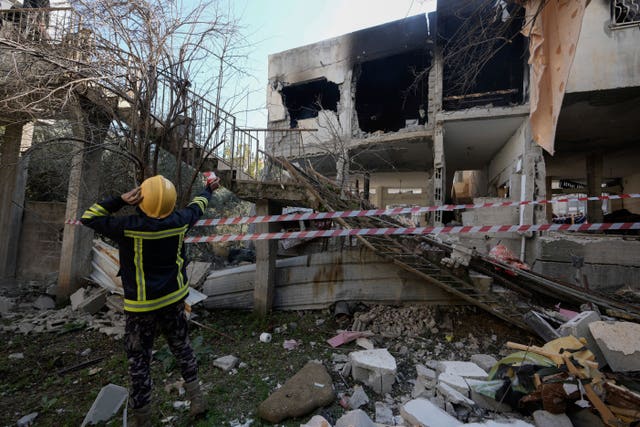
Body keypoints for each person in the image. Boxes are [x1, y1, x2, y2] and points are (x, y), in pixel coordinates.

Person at [81, 174, 221, 426]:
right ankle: (197, 399)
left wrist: (119, 200)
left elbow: (89, 216)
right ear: (171, 201)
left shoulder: (128, 226)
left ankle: (142, 417)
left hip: (141, 308)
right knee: (182, 348)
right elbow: (198, 205)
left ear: (141, 200)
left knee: (139, 361)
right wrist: (209, 188)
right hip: (174, 300)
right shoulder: (180, 221)